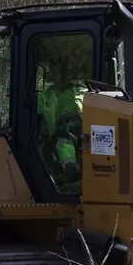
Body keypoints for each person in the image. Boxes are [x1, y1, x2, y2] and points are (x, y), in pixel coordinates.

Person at [37, 57, 86, 193]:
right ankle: (69, 169)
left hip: (80, 137)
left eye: (64, 69)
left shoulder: (82, 93)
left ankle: (71, 168)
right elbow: (37, 116)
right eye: (55, 68)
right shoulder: (45, 95)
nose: (59, 73)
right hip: (56, 141)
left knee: (64, 136)